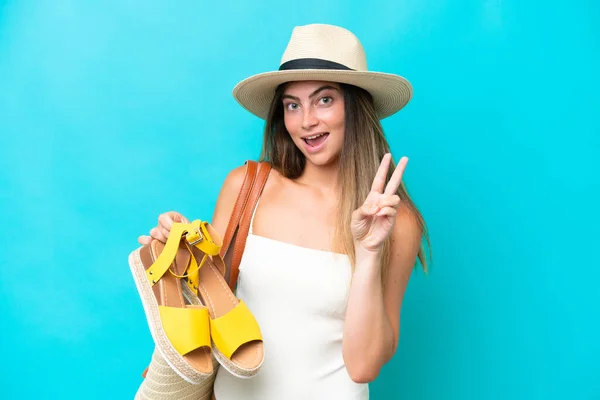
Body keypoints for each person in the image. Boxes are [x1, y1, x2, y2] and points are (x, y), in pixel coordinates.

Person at [136, 23, 430, 400]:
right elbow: (208, 307)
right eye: (293, 104)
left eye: (324, 100)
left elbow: (363, 366)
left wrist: (369, 252)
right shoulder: (246, 187)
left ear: (355, 107)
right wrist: (178, 253)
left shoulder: (396, 223)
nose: (306, 121)